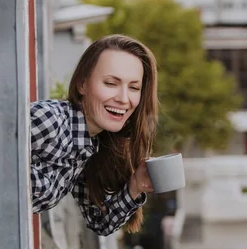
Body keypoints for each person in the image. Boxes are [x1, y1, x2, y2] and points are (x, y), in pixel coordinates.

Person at [31, 34, 158, 235]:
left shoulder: (88, 147)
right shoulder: (49, 119)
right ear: (82, 84)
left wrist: (136, 185)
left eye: (134, 87)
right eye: (110, 83)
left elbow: (100, 222)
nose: (124, 99)